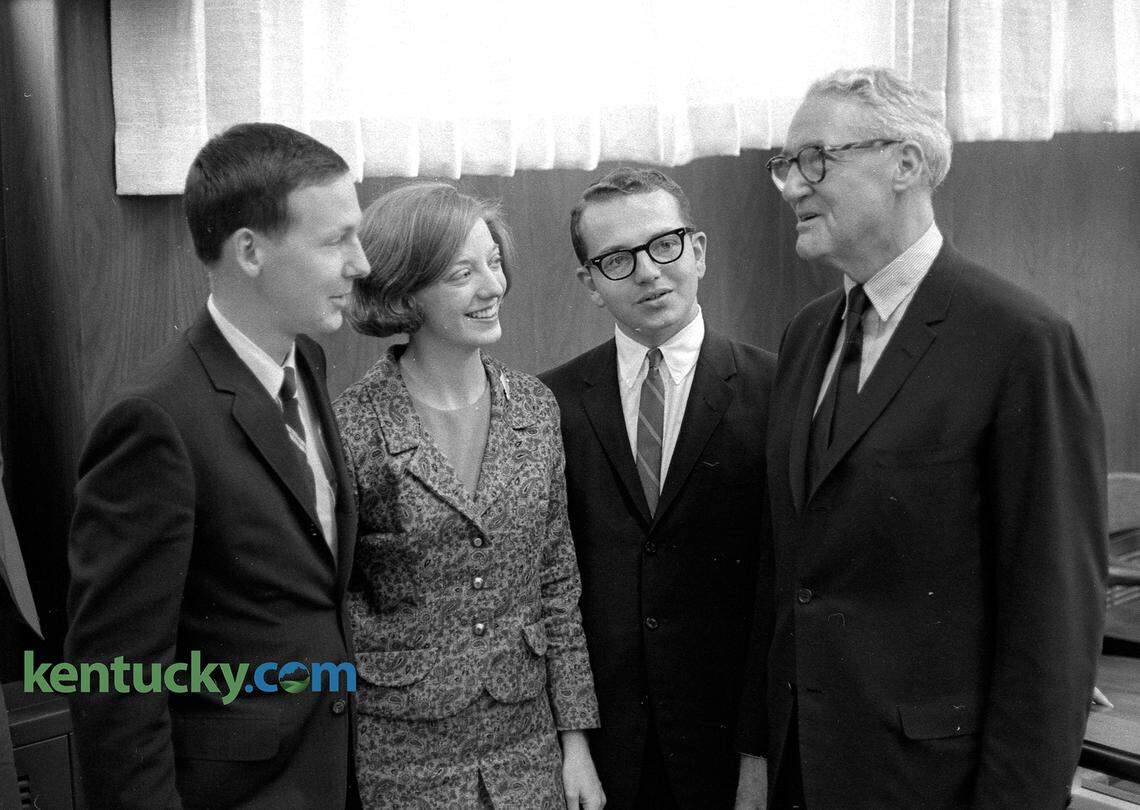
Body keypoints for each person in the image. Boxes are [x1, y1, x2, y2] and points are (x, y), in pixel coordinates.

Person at [734, 67, 1107, 809]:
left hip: (935, 786)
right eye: (785, 165)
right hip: (803, 773)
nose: (792, 187)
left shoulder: (1020, 340)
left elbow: (1053, 620)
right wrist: (758, 760)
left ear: (906, 163)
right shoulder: (807, 336)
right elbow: (789, 575)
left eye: (816, 160)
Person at [65, 123, 368, 808]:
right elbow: (113, 682)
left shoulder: (308, 363)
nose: (362, 263)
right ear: (251, 251)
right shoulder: (153, 422)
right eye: (334, 240)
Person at [334, 182, 605, 809]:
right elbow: (332, 602)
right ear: (405, 292)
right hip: (401, 757)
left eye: (494, 262)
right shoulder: (352, 427)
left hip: (528, 747)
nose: (494, 285)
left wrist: (577, 745)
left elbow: (557, 585)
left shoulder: (536, 408)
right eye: (463, 273)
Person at [540, 168, 775, 808]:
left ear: (697, 249)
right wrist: (571, 743)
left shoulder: (777, 391)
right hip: (604, 751)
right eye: (617, 259)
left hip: (730, 746)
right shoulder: (546, 404)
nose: (647, 271)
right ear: (590, 283)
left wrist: (758, 755)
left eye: (664, 245)